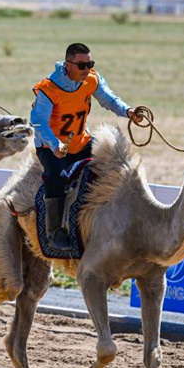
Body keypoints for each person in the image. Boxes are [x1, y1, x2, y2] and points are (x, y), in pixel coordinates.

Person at [30, 42, 139, 252]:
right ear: (67, 64)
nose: (87, 69)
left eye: (90, 63)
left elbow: (110, 100)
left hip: (81, 142)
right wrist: (55, 144)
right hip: (50, 147)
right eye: (82, 65)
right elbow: (38, 122)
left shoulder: (91, 79)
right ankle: (55, 232)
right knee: (57, 177)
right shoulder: (48, 89)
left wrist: (128, 111)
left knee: (115, 165)